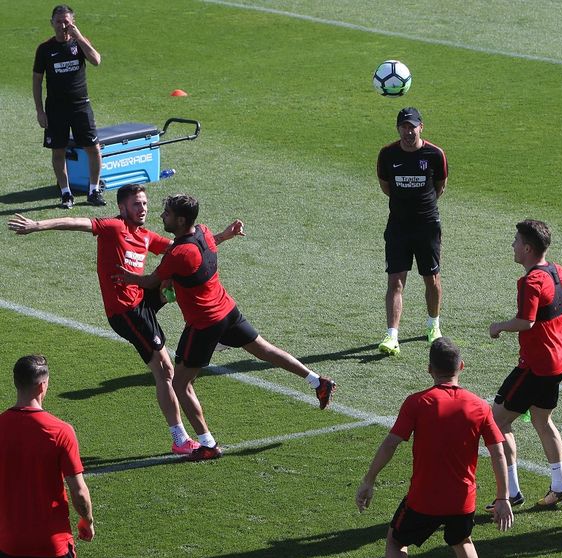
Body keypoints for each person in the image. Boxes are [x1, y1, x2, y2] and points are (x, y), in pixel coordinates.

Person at [7, 183, 244, 456]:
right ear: (122, 208)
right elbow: (76, 222)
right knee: (165, 371)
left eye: (144, 203)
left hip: (141, 299)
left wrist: (223, 236)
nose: (142, 209)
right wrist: (38, 225)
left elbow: (191, 248)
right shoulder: (113, 227)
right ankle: (179, 438)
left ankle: (211, 332)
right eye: (136, 204)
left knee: (177, 270)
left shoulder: (143, 234)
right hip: (126, 312)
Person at [116, 194, 337, 461]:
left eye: (167, 213)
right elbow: (192, 261)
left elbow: (153, 281)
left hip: (204, 324)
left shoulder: (178, 253)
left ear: (181, 219)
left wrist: (129, 278)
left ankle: (207, 444)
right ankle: (317, 381)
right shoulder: (204, 234)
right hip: (227, 310)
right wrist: (226, 234)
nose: (162, 216)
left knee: (180, 383)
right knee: (263, 349)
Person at [356, 338, 513, 558]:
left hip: (423, 499)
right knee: (463, 541)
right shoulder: (480, 406)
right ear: (461, 366)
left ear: (430, 369)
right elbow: (498, 453)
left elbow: (390, 444)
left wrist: (369, 480)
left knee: (396, 542)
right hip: (462, 500)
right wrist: (503, 497)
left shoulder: (417, 403)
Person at [487, 219, 562, 510]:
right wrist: (550, 328)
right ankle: (559, 485)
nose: (512, 246)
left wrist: (499, 326)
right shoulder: (558, 271)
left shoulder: (530, 282)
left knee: (497, 422)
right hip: (559, 362)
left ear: (527, 248)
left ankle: (511, 492)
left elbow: (526, 321)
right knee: (542, 420)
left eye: (515, 241)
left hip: (535, 366)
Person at [0, 355, 94, 558]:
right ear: (43, 386)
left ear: (16, 382)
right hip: (52, 542)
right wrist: (87, 521)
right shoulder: (60, 431)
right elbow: (79, 492)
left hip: (9, 540)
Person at [376, 107, 449, 356]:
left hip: (427, 226)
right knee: (395, 281)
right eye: (404, 127)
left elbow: (440, 186)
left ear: (421, 127)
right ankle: (392, 335)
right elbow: (386, 187)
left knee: (431, 278)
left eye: (412, 126)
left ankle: (433, 325)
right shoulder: (387, 154)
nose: (408, 131)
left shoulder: (435, 154)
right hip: (397, 226)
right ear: (398, 128)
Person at [33, 5, 104, 209]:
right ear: (52, 23)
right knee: (58, 151)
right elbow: (37, 80)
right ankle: (66, 193)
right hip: (55, 109)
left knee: (93, 148)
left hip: (81, 106)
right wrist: (39, 110)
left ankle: (94, 190)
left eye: (67, 21)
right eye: (59, 21)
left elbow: (96, 61)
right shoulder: (45, 49)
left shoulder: (79, 43)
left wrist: (79, 37)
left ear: (73, 22)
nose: (63, 25)